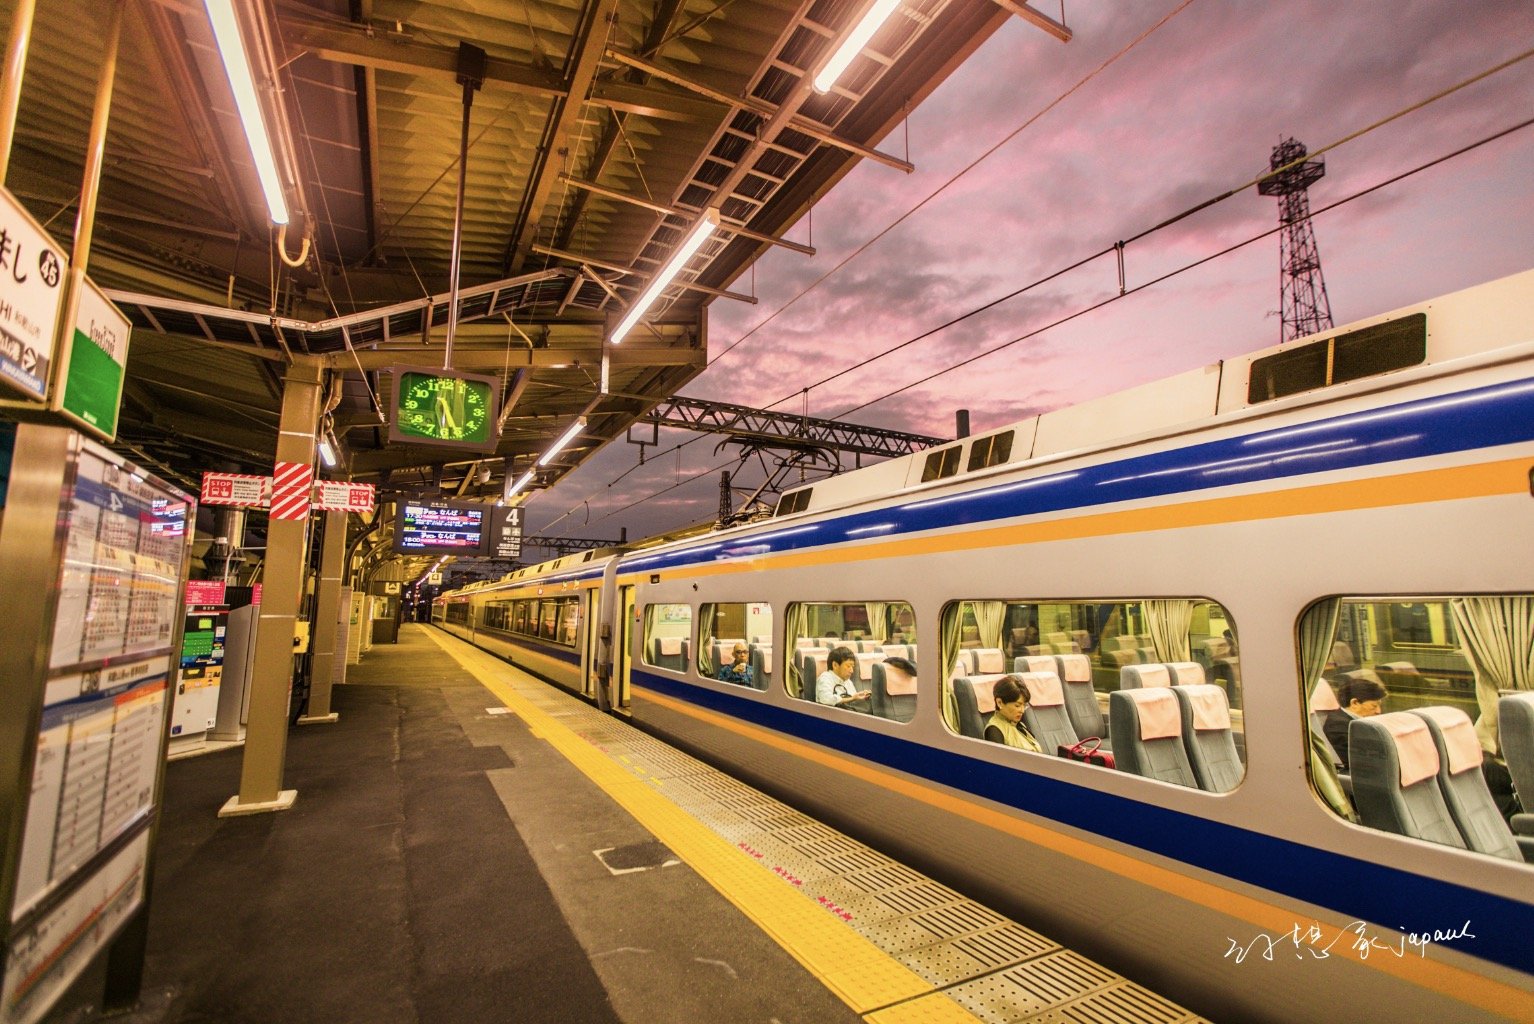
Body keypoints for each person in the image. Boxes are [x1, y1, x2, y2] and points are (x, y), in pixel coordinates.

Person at [1324, 676, 1387, 772]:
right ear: (1355, 703)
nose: (1379, 711)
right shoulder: (1337, 726)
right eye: (1374, 706)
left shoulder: (1363, 721)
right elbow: (1358, 761)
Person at [984, 675, 1042, 752]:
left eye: (1024, 705)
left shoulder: (1020, 725)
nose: (1022, 711)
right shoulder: (994, 731)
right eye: (1017, 705)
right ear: (999, 703)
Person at [816, 646, 870, 711]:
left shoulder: (848, 681)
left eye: (852, 667)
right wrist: (852, 698)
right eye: (848, 666)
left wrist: (861, 696)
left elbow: (853, 702)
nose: (852, 671)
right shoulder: (825, 678)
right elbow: (826, 699)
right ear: (835, 665)